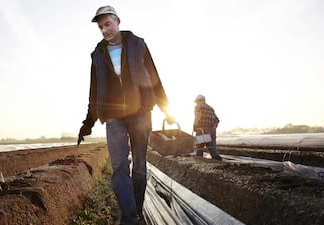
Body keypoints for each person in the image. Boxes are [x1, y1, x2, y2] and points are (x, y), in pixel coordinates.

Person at [77, 5, 175, 225]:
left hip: (140, 112)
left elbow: (154, 75)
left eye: (107, 24)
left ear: (118, 21)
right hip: (113, 116)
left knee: (139, 166)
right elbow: (94, 90)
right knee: (119, 165)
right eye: (101, 27)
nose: (104, 30)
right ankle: (129, 219)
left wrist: (166, 108)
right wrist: (88, 121)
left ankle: (137, 210)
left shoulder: (137, 44)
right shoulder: (97, 54)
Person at [193, 94, 222, 160]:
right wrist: (213, 127)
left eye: (196, 101)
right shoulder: (211, 108)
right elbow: (217, 120)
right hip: (212, 130)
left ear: (198, 101)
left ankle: (199, 160)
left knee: (199, 148)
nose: (196, 103)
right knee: (213, 149)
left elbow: (197, 116)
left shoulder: (198, 106)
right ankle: (218, 160)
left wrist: (194, 126)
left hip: (202, 130)